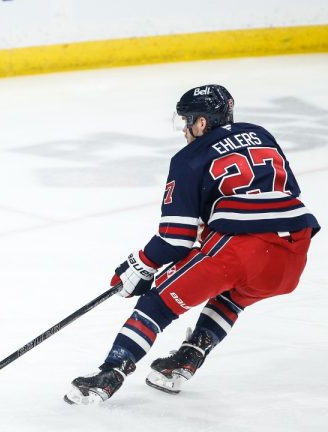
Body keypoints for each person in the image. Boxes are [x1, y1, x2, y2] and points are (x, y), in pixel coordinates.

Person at [64, 85, 320, 405]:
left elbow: (176, 239)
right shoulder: (260, 133)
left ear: (201, 123)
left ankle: (108, 376)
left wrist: (142, 263)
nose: (184, 129)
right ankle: (188, 356)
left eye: (187, 121)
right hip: (294, 251)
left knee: (157, 304)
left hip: (241, 249)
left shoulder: (190, 157)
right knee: (233, 295)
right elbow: (286, 192)